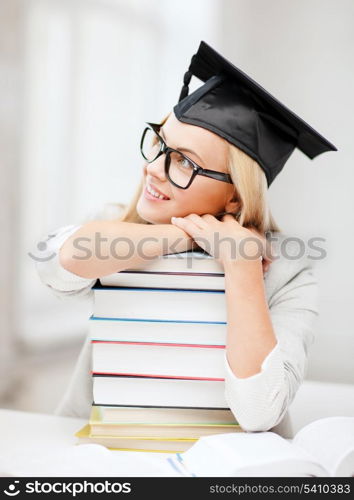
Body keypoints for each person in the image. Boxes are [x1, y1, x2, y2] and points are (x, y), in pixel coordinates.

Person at [33, 41, 336, 438]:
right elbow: (56, 264)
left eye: (184, 162)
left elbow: (259, 410)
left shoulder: (288, 274)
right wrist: (184, 233)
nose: (153, 169)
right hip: (106, 455)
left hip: (227, 469)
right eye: (160, 144)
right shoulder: (114, 228)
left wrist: (243, 269)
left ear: (235, 195)